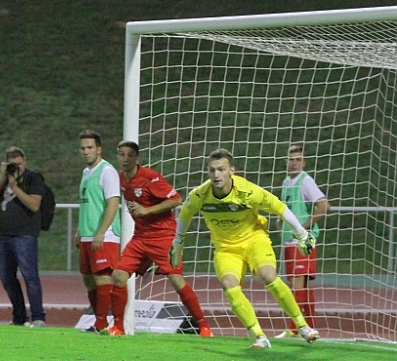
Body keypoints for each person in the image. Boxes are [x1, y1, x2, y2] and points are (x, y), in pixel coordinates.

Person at [169, 149, 319, 349]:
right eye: (212, 170)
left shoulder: (248, 191)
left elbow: (279, 207)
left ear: (231, 170)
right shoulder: (200, 194)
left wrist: (301, 234)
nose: (216, 175)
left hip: (254, 240)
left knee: (268, 276)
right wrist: (178, 243)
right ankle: (259, 336)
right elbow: (185, 214)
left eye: (221, 169)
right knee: (229, 285)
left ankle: (302, 326)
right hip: (226, 249)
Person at [111, 141, 212, 336]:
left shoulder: (150, 177)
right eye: (121, 154)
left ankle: (203, 326)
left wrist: (147, 210)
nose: (125, 159)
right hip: (141, 237)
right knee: (119, 275)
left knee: (176, 279)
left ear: (137, 158)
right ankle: (118, 327)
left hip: (163, 235)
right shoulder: (121, 178)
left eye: (130, 155)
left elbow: (176, 199)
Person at [0, 146, 47, 327]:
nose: (17, 168)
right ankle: (19, 316)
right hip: (5, 236)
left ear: (25, 161)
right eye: (13, 165)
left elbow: (34, 205)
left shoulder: (33, 178)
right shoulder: (5, 179)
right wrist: (2, 176)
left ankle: (38, 317)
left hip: (25, 235)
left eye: (19, 164)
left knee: (30, 277)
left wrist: (15, 188)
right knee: (7, 278)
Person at [274, 145, 329, 339]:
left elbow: (324, 205)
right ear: (286, 161)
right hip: (289, 240)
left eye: (298, 159)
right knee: (301, 285)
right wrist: (280, 221)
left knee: (297, 285)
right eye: (291, 159)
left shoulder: (305, 181)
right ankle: (311, 326)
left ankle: (294, 329)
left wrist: (304, 227)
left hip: (303, 241)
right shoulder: (286, 182)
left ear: (304, 163)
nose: (294, 162)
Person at [74, 131, 121, 333]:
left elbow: (113, 203)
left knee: (103, 278)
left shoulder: (107, 171)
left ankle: (102, 323)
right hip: (87, 234)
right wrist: (80, 229)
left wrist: (101, 232)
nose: (86, 152)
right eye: (83, 148)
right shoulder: (86, 172)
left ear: (99, 149)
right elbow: (88, 204)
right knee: (88, 279)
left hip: (105, 235)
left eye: (90, 148)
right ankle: (99, 319)